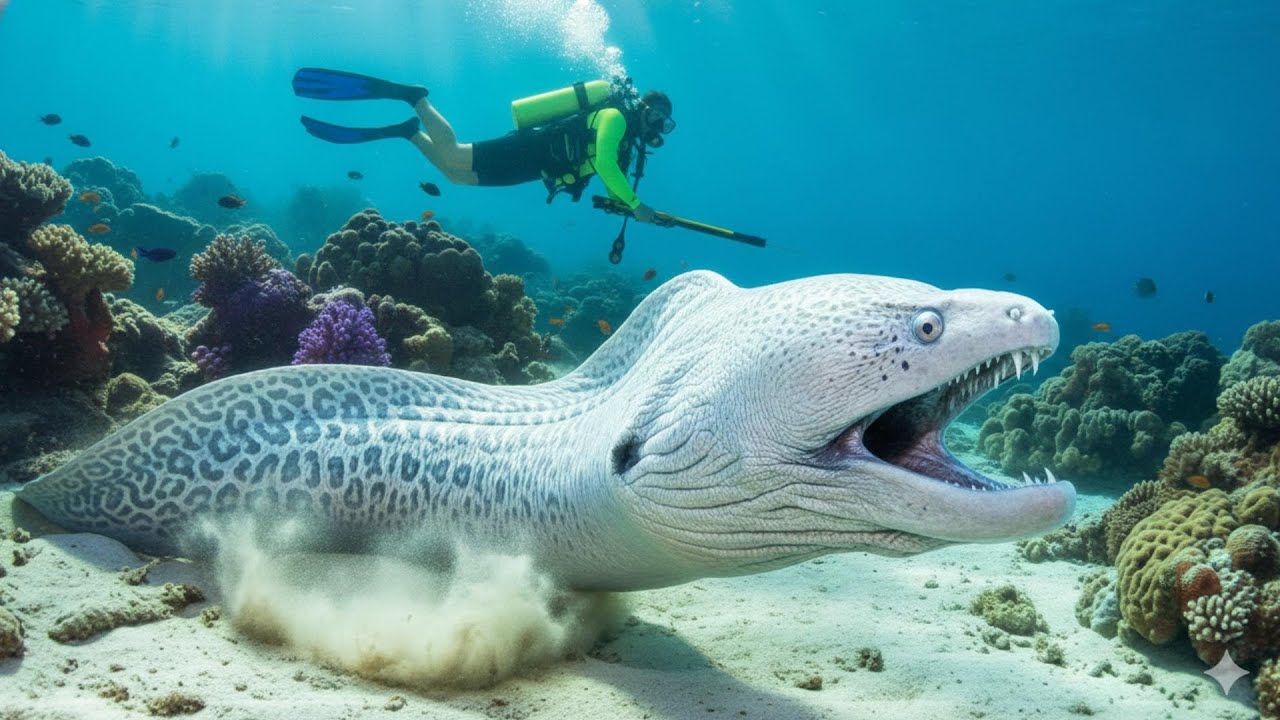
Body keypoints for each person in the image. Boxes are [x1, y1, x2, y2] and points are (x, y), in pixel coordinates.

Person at [291, 68, 675, 223]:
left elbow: (612, 182)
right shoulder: (615, 117)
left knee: (457, 177)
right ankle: (416, 98)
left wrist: (635, 209)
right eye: (658, 117)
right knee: (456, 154)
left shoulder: (626, 142)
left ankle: (409, 131)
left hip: (535, 167)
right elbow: (605, 164)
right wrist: (637, 206)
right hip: (531, 149)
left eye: (665, 124)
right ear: (644, 108)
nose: (658, 127)